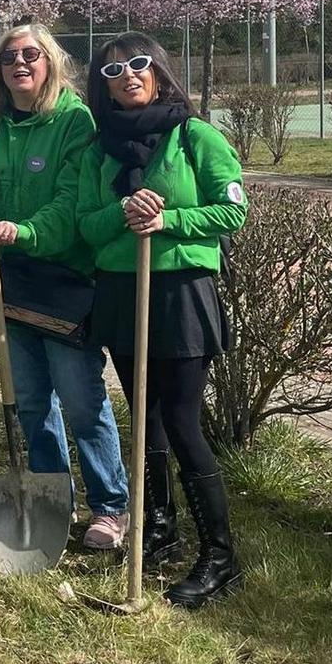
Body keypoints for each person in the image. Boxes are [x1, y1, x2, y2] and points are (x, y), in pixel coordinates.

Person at [0, 25, 130, 549]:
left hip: (66, 283)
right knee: (29, 401)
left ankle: (110, 506)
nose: (19, 64)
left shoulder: (75, 121)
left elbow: (74, 199)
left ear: (49, 62)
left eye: (31, 54)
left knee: (80, 398)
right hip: (9, 285)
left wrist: (26, 232)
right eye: (9, 57)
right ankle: (53, 503)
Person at [78, 32, 246, 607]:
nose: (128, 75)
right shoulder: (99, 152)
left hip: (180, 293)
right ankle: (158, 525)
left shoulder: (194, 136)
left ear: (160, 71)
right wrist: (120, 212)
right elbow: (85, 226)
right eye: (113, 70)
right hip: (123, 292)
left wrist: (169, 218)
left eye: (139, 64)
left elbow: (233, 209)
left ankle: (220, 557)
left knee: (179, 420)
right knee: (142, 417)